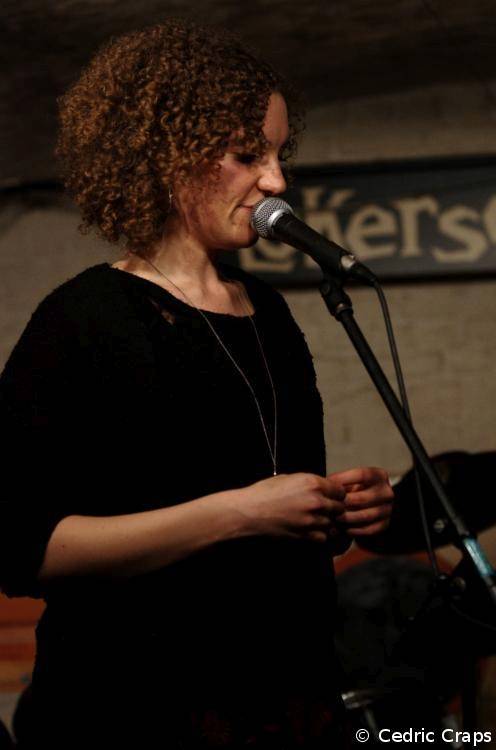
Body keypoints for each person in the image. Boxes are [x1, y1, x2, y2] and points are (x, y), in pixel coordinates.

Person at [0, 20, 394, 748]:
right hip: (132, 713)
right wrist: (241, 513)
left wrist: (334, 511)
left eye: (279, 155)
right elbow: (23, 547)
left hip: (282, 704)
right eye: (249, 155)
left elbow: (270, 489)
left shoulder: (268, 311)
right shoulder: (82, 319)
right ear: (168, 155)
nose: (277, 182)